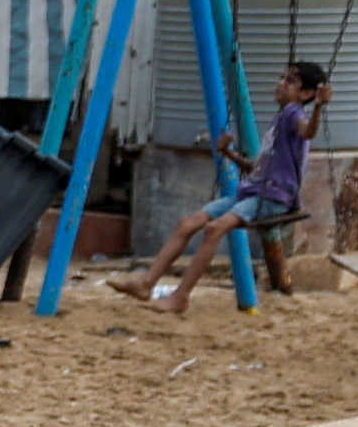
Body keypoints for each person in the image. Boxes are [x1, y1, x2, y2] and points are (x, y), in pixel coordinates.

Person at [139, 58, 328, 310]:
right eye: (282, 77)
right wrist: (229, 153)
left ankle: (180, 296)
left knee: (215, 229)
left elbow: (308, 131)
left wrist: (318, 108)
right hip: (253, 191)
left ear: (306, 94)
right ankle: (146, 283)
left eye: (290, 81)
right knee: (188, 223)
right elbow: (255, 169)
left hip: (272, 199)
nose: (280, 84)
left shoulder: (295, 114)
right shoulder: (280, 119)